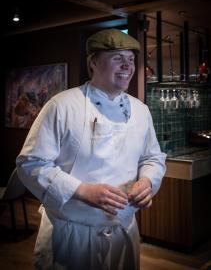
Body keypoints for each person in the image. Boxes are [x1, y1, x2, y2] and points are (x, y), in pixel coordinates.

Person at [16, 28, 166, 270]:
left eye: (131, 59)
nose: (127, 66)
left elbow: (153, 157)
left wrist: (148, 181)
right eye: (118, 58)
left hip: (123, 232)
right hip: (71, 235)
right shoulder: (62, 106)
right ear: (93, 62)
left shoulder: (141, 110)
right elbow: (30, 164)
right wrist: (82, 191)